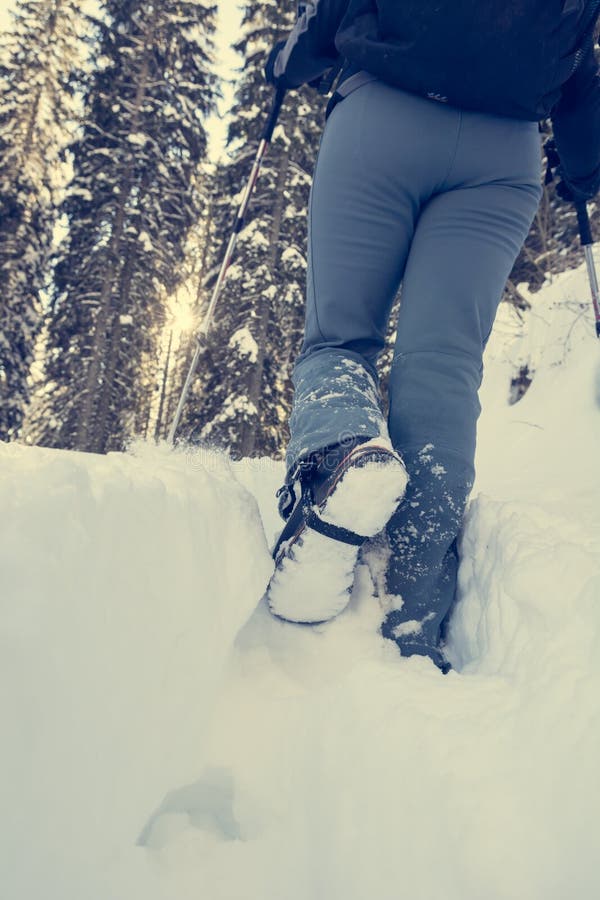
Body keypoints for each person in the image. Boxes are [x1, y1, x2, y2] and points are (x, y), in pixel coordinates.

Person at [263, 0, 600, 671]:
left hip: (383, 115)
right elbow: (577, 55)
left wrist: (287, 64)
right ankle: (414, 604)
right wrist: (586, 165)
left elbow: (330, 15)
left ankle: (340, 461)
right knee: (443, 364)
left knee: (341, 337)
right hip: (503, 153)